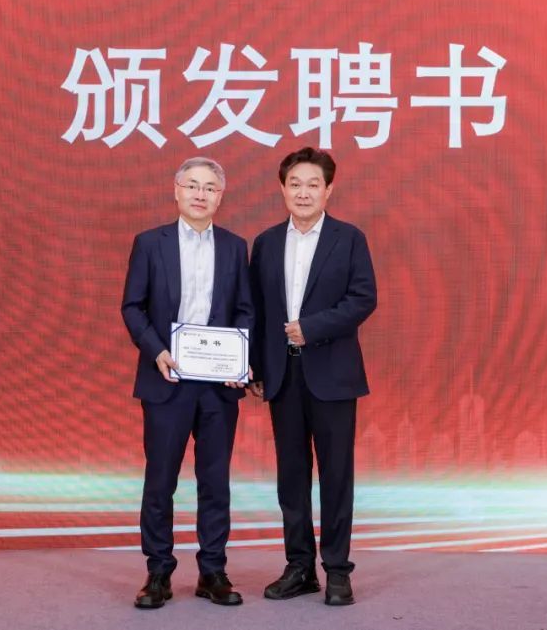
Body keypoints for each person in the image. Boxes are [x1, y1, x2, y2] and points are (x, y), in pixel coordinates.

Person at [121, 157, 253, 609]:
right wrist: (156, 350)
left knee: (215, 481)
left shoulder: (235, 247)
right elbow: (132, 307)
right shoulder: (149, 243)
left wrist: (239, 360)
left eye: (210, 187)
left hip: (218, 386)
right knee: (160, 480)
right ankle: (158, 571)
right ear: (176, 190)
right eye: (192, 185)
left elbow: (245, 310)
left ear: (220, 196)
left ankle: (213, 571)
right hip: (167, 379)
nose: (200, 194)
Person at [249, 147, 377, 606]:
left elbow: (363, 299)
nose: (303, 193)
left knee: (336, 474)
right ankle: (299, 567)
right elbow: (257, 310)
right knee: (292, 475)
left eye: (313, 185)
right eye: (295, 184)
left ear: (328, 190)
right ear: (282, 189)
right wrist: (255, 366)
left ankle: (337, 569)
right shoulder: (266, 242)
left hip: (333, 373)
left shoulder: (349, 238)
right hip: (282, 374)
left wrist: (312, 328)